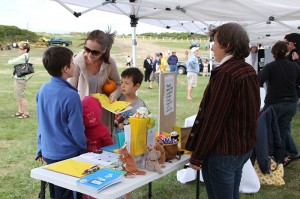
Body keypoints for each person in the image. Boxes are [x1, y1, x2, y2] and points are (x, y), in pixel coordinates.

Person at [186, 23, 260, 199]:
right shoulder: (247, 69)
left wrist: (198, 156)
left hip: (224, 152)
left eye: (215, 43)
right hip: (242, 148)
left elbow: (213, 120)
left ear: (227, 46)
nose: (212, 47)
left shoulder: (226, 74)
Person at [36, 46, 87, 198]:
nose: (74, 65)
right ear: (65, 68)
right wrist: (84, 150)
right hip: (67, 154)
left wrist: (40, 148)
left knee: (56, 192)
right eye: (72, 63)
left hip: (48, 152)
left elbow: (41, 123)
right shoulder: (71, 96)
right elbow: (77, 130)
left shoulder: (42, 90)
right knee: (67, 194)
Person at [68, 29, 121, 131]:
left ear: (104, 50)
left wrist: (113, 95)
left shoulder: (110, 63)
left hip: (103, 115)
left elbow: (119, 85)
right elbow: (70, 90)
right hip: (82, 115)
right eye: (87, 49)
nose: (89, 55)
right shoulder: (77, 62)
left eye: (95, 52)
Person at [259, 41, 300, 166]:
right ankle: (280, 159)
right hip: (291, 103)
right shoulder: (295, 66)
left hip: (274, 103)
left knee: (266, 130)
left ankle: (271, 158)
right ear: (287, 52)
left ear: (273, 53)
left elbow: (258, 81)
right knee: (281, 131)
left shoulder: (270, 66)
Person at [114, 67, 146, 199]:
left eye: (127, 83)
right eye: (121, 83)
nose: (123, 86)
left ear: (137, 86)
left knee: (127, 174)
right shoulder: (117, 98)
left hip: (129, 146)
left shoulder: (140, 106)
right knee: (116, 172)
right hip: (115, 143)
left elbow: (142, 128)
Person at [8, 43, 31, 119]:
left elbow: (11, 62)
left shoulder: (24, 56)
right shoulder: (25, 56)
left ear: (25, 50)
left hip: (20, 79)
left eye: (21, 49)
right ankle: (20, 111)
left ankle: (26, 113)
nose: (19, 49)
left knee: (21, 96)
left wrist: (11, 60)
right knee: (18, 96)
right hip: (19, 78)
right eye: (19, 48)